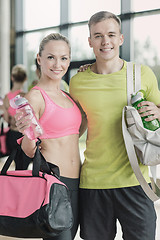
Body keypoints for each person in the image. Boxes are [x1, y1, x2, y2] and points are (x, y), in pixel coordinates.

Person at [69, 11, 160, 240]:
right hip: (93, 184)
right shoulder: (78, 82)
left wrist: (157, 111)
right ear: (89, 41)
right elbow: (75, 127)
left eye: (111, 34)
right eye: (98, 35)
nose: (105, 41)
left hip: (136, 180)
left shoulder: (142, 75)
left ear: (121, 38)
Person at [15, 33, 82, 240]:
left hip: (78, 183)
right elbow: (28, 150)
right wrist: (28, 133)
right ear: (39, 58)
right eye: (51, 57)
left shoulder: (68, 95)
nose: (57, 64)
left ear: (69, 60)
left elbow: (73, 132)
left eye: (63, 58)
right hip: (53, 184)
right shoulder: (35, 97)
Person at [3, 64, 27, 161]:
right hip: (23, 136)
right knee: (24, 167)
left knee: (17, 165)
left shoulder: (6, 97)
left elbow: (6, 118)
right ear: (25, 79)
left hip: (12, 135)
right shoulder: (25, 96)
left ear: (12, 78)